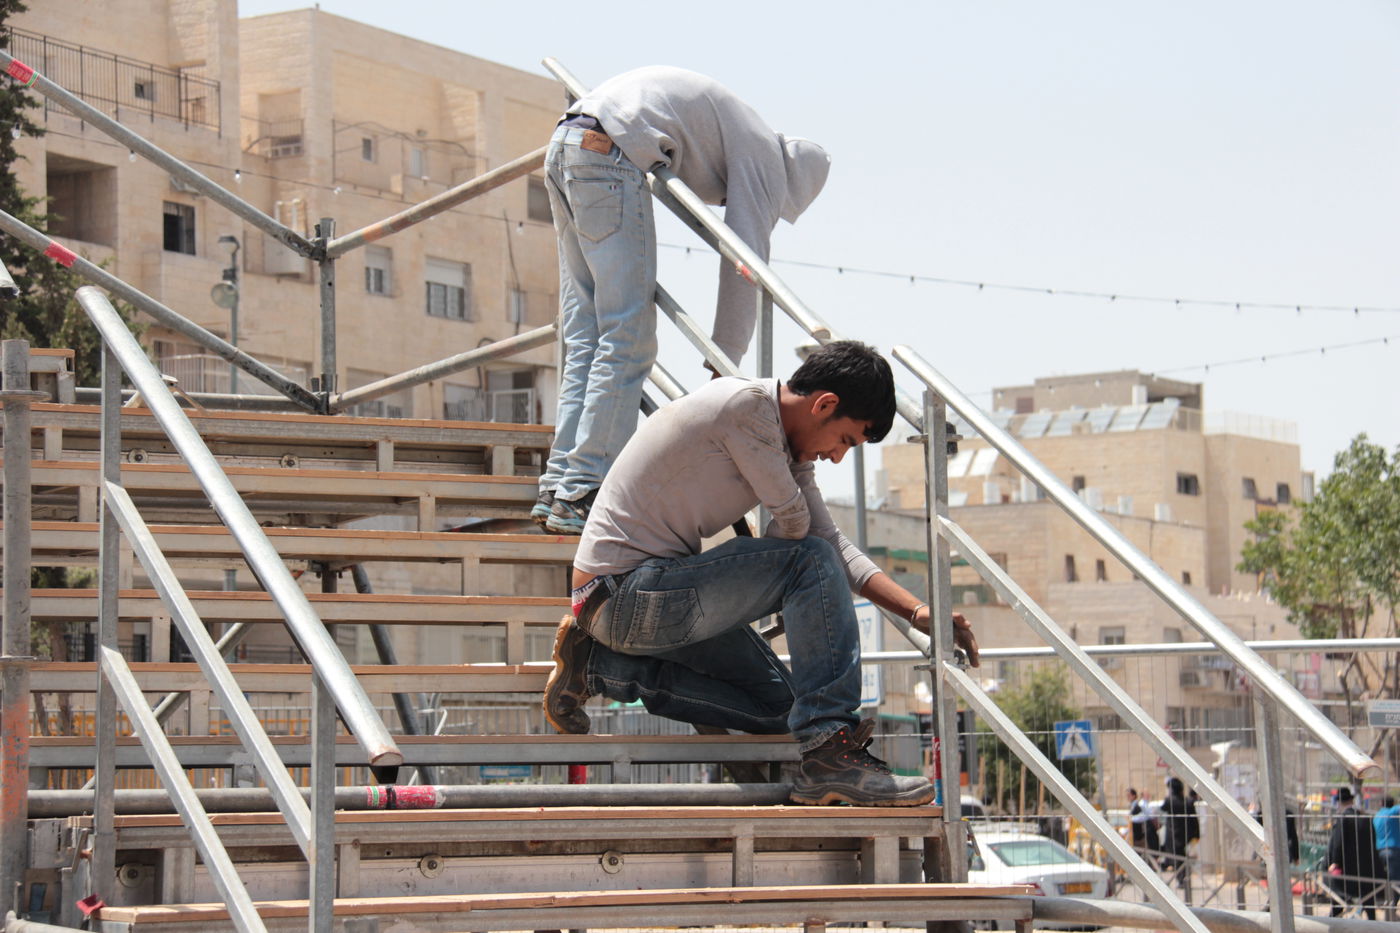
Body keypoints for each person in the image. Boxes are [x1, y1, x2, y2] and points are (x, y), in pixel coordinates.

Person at [541, 341, 980, 806]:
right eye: (845, 441)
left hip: (649, 599)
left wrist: (917, 612)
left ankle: (601, 669)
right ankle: (832, 752)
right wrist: (795, 586)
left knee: (783, 710)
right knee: (807, 561)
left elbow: (828, 544)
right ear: (825, 404)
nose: (836, 458)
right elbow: (800, 537)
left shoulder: (785, 450)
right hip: (621, 593)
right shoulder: (746, 409)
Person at [532, 66, 832, 535]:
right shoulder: (767, 164)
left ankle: (559, 485)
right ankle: (584, 488)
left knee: (588, 334)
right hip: (611, 155)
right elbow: (745, 262)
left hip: (570, 141)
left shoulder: (740, 129)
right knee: (628, 337)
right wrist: (724, 361)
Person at [1325, 786, 1384, 919]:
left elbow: (1338, 843)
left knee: (1338, 895)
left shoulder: (1343, 819)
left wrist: (1335, 862)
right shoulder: (1366, 818)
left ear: (1339, 803)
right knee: (1368, 899)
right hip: (1367, 868)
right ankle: (1372, 924)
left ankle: (1333, 919)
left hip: (1348, 868)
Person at [1158, 777, 1193, 889]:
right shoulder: (1187, 801)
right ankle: (1184, 877)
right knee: (1183, 857)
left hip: (1174, 835)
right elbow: (1193, 819)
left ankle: (1181, 879)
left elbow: (1162, 808)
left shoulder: (1170, 801)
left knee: (1178, 859)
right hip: (1186, 834)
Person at [1371, 795, 1400, 909]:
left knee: (1385, 877)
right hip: (1393, 850)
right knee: (1396, 879)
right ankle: (1393, 903)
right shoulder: (1392, 812)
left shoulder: (1377, 816)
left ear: (1381, 804)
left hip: (1380, 850)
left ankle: (1385, 900)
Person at [1127, 787, 1160, 866]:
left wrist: (1132, 819)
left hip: (1141, 833)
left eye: (1129, 795)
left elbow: (1145, 816)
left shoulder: (1139, 805)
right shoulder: (1138, 804)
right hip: (1138, 833)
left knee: (1144, 851)